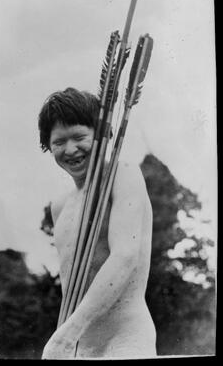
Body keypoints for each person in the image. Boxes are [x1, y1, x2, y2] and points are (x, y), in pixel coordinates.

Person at [38, 87, 157, 359]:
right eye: (59, 141)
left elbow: (125, 257)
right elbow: (71, 283)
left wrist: (68, 333)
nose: (70, 149)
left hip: (125, 340)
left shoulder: (122, 174)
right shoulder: (60, 206)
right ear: (48, 145)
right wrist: (66, 339)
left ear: (102, 135)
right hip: (79, 346)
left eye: (80, 137)